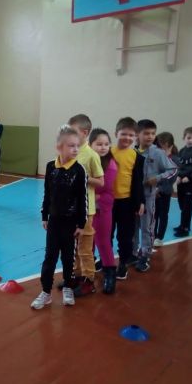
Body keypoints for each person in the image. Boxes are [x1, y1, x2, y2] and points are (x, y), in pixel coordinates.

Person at [31, 125, 87, 310]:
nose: (75, 149)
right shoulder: (50, 167)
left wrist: (81, 223)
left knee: (68, 258)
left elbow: (83, 198)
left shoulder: (79, 170)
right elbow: (47, 194)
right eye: (71, 146)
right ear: (59, 147)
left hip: (71, 223)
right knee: (50, 257)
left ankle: (68, 288)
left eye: (77, 145)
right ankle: (46, 292)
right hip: (54, 222)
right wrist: (44, 215)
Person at [133, 120, 178, 272]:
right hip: (133, 198)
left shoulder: (158, 153)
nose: (150, 136)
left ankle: (145, 254)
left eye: (153, 133)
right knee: (133, 227)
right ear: (137, 134)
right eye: (146, 133)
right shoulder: (132, 152)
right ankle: (133, 253)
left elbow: (173, 169)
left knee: (147, 227)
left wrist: (157, 178)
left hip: (148, 197)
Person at [67, 114, 103, 295]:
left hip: (86, 210)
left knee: (85, 248)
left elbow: (101, 182)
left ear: (85, 132)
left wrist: (84, 178)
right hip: (70, 208)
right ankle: (77, 276)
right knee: (72, 246)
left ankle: (89, 281)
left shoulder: (91, 155)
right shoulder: (70, 151)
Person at [110, 117, 145, 280]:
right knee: (106, 234)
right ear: (116, 133)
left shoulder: (137, 157)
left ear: (136, 137)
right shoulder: (107, 153)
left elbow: (138, 182)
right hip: (108, 202)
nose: (127, 138)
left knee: (125, 236)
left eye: (131, 135)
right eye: (124, 134)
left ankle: (123, 262)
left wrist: (140, 202)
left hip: (127, 202)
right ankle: (107, 260)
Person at [89, 129, 119, 294]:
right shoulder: (87, 160)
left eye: (106, 144)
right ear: (90, 145)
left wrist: (89, 192)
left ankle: (110, 274)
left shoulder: (110, 165)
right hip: (87, 207)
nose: (103, 147)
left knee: (102, 241)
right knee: (86, 242)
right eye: (99, 144)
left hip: (102, 207)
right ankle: (84, 275)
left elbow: (103, 188)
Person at [154, 132, 179, 246]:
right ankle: (153, 235)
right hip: (154, 192)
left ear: (169, 145)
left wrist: (159, 188)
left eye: (162, 147)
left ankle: (159, 237)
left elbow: (170, 178)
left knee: (163, 215)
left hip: (164, 192)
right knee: (154, 215)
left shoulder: (174, 160)